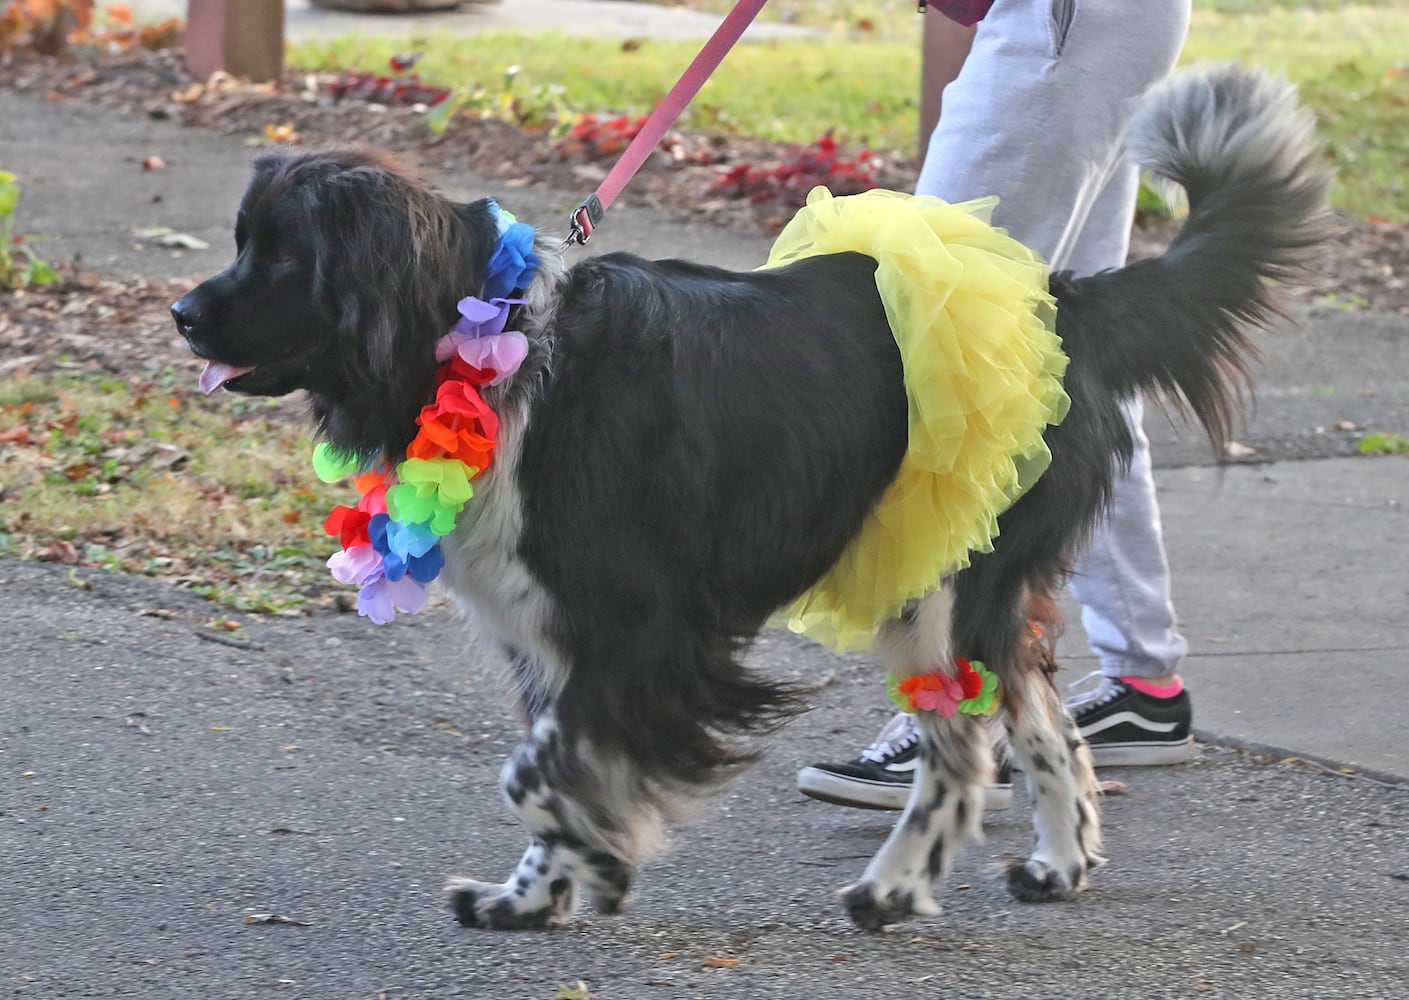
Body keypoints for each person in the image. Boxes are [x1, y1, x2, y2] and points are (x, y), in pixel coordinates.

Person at [797, 0, 1196, 812]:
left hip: (1062, 19)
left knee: (940, 341)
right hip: (1089, 19)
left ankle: (956, 718)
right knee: (1071, 352)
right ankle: (1141, 682)